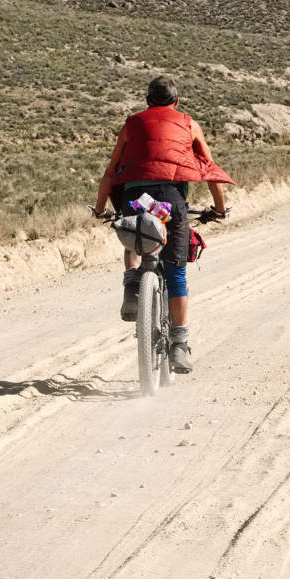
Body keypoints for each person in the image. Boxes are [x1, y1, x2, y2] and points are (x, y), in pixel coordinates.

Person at [93, 76, 233, 373]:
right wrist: (219, 210)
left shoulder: (132, 123)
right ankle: (180, 345)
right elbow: (209, 171)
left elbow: (110, 171)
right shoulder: (189, 124)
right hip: (169, 201)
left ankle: (133, 283)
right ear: (176, 101)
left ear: (147, 101)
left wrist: (101, 208)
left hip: (137, 198)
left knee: (131, 226)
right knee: (176, 272)